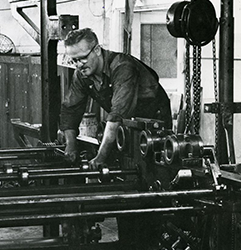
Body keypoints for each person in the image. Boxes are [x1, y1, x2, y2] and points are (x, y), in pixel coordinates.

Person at [59, 28, 172, 170]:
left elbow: (118, 114)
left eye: (82, 58)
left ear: (97, 50)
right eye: (74, 60)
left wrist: (101, 157)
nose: (78, 64)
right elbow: (71, 110)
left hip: (155, 125)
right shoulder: (82, 74)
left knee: (150, 170)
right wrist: (71, 145)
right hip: (126, 125)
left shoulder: (122, 67)